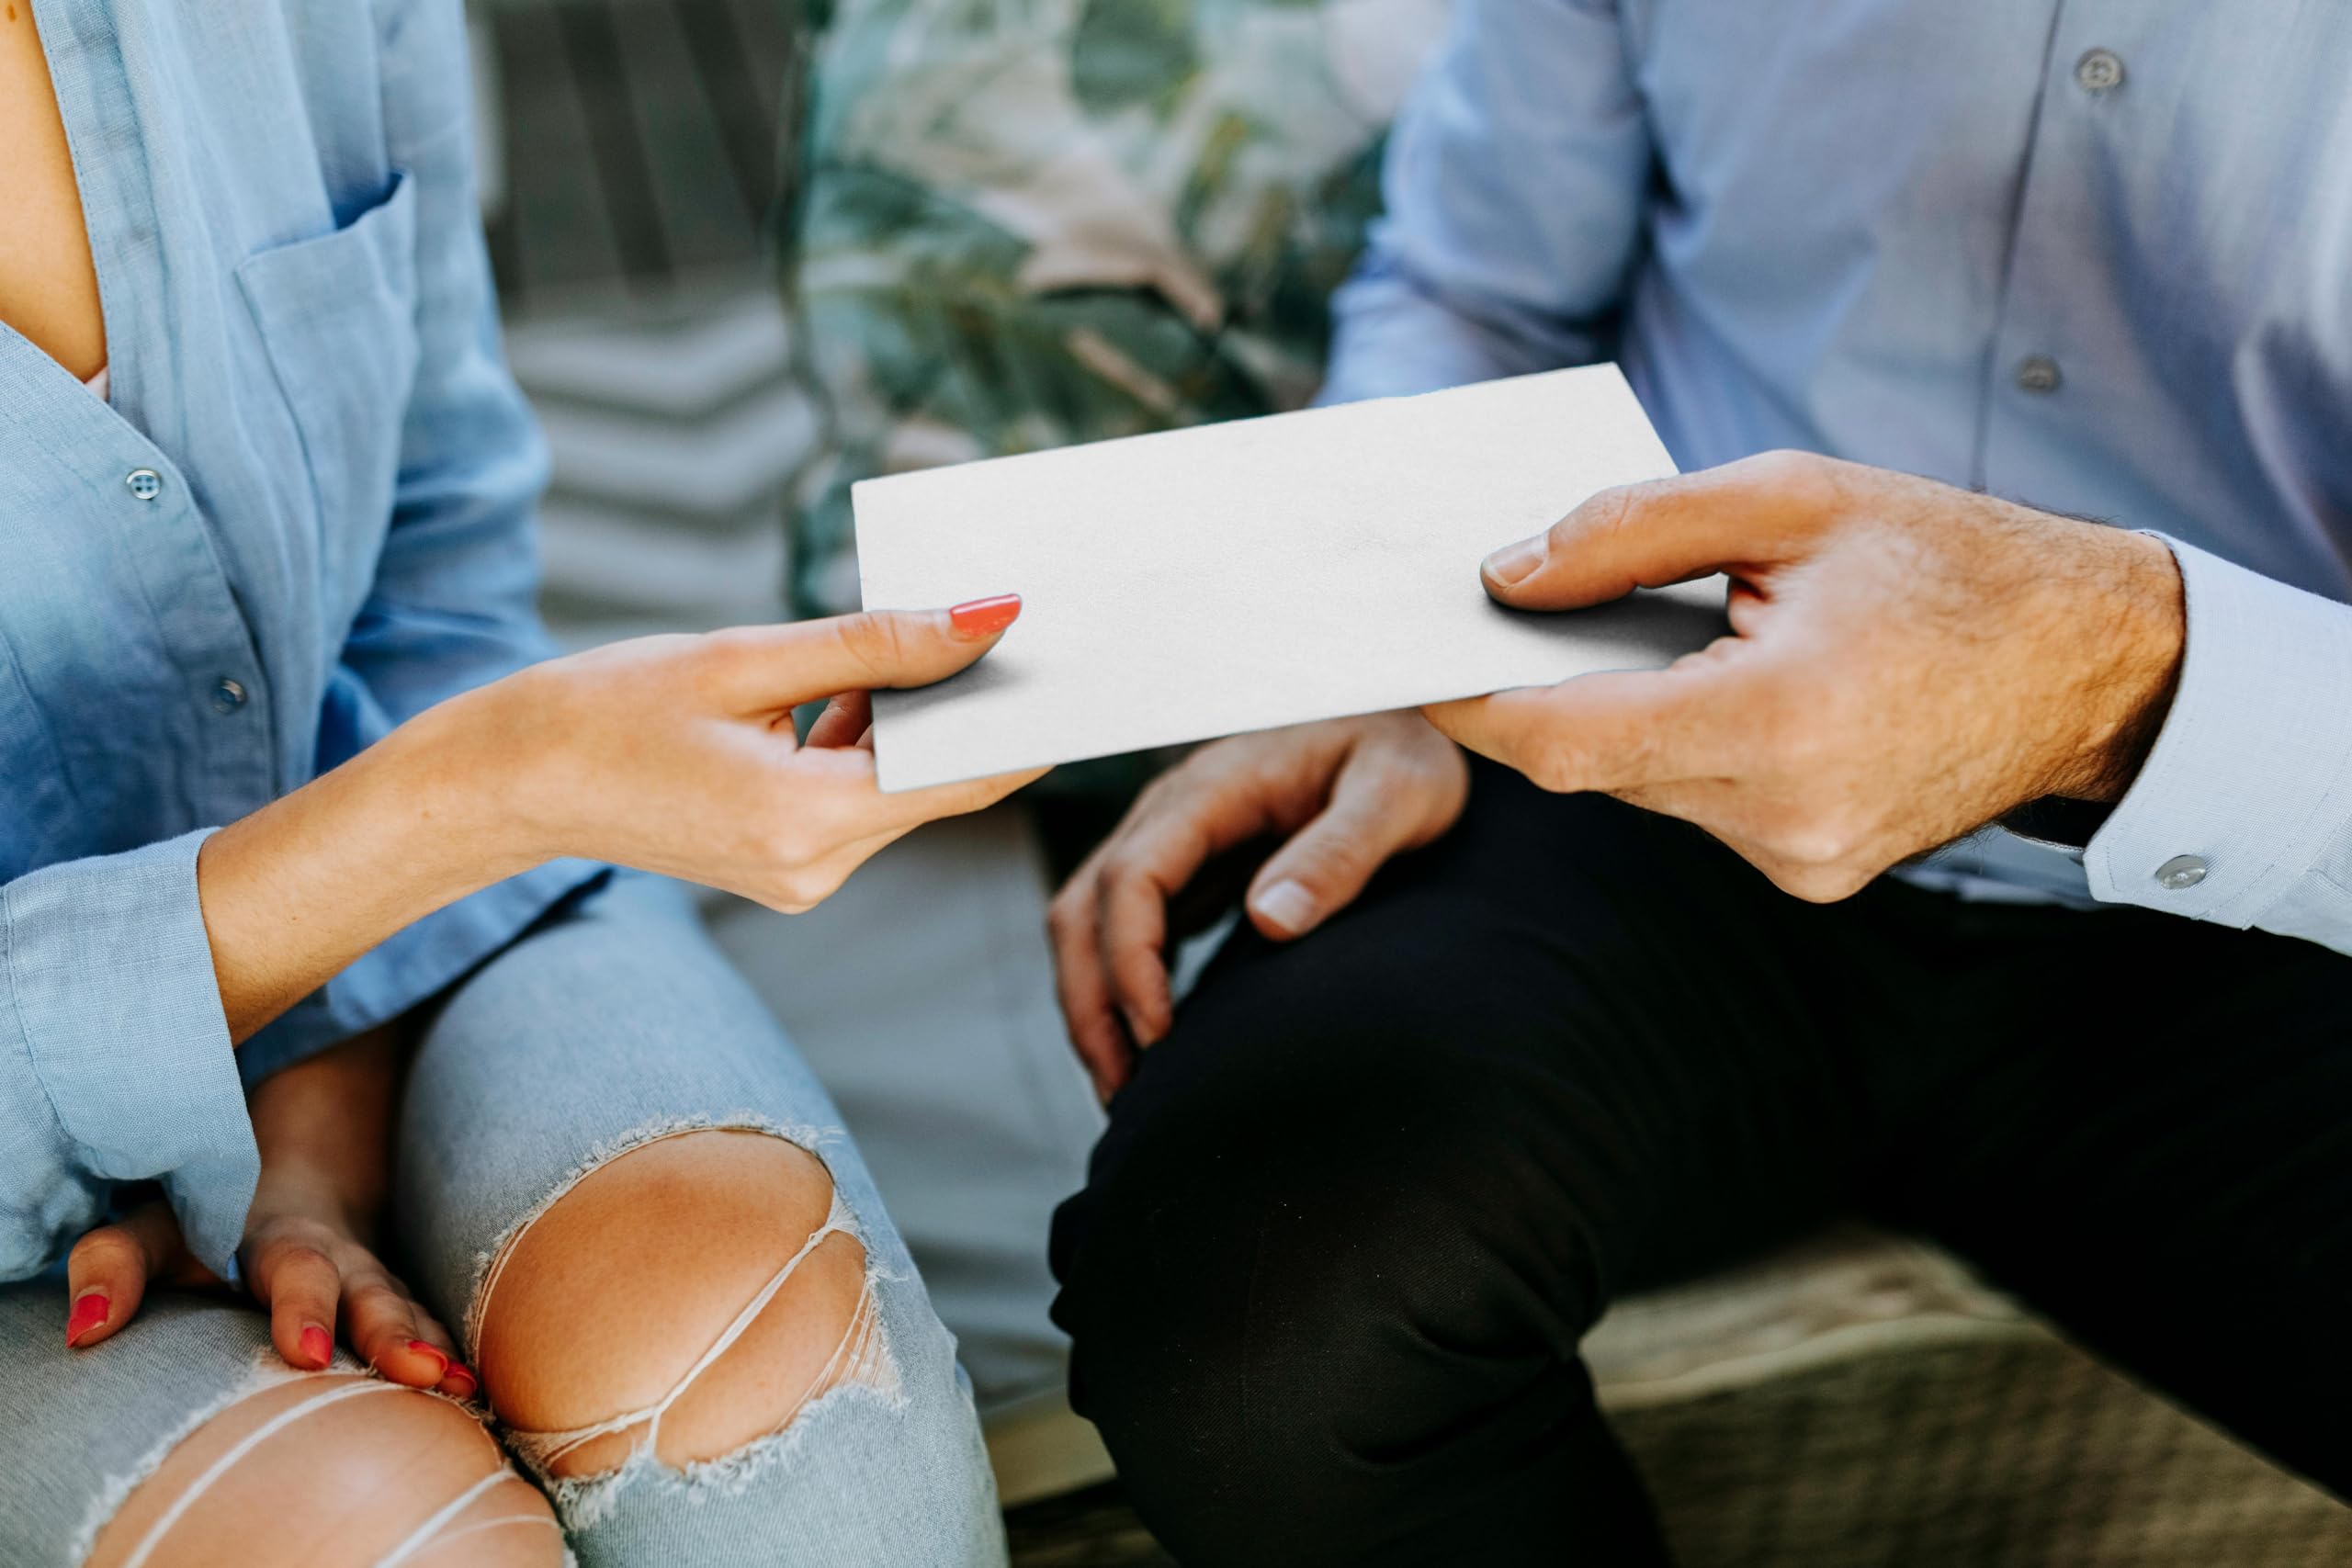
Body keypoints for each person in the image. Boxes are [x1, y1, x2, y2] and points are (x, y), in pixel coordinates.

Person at [1046, 4, 2352, 1564]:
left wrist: (2122, 692)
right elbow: (1473, 287)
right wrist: (1391, 653)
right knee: (1247, 1325)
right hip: (1635, 774)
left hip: (2285, 898)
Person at [0, 3, 1036, 1563]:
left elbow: (440, 538)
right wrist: (478, 797)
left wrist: (319, 1085)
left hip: (421, 900)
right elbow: (477, 779)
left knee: (767, 1390)